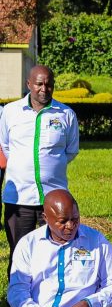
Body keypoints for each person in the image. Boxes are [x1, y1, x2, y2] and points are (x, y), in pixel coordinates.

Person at [0, 65, 80, 261]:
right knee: (19, 256)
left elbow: (71, 150)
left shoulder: (66, 114)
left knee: (55, 254)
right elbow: (6, 146)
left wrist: (50, 166)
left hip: (54, 199)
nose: (44, 89)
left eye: (49, 84)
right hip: (19, 199)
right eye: (39, 84)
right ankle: (18, 292)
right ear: (29, 84)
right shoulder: (11, 112)